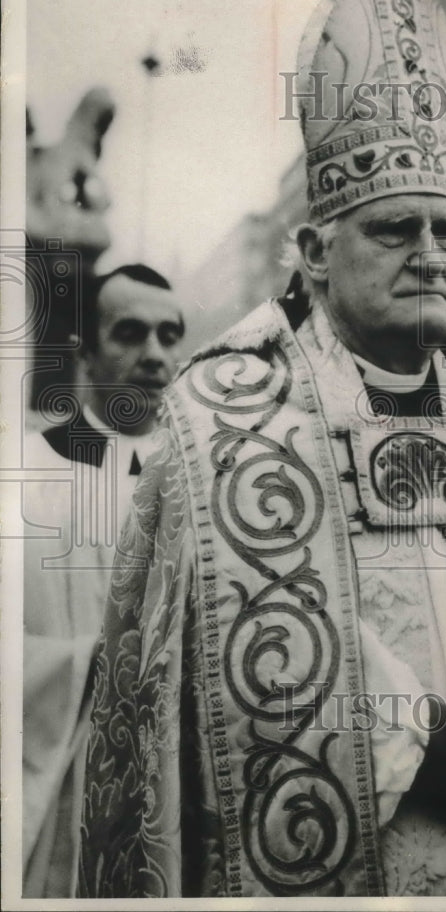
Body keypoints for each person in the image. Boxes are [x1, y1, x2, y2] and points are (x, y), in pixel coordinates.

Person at [78, 0, 446, 897]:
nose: (430, 254)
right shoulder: (223, 420)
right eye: (393, 230)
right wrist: (442, 749)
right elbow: (229, 653)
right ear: (313, 250)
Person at [22, 264, 185, 897]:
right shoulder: (27, 474)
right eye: (131, 333)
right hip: (65, 780)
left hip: (181, 783)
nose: (156, 355)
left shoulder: (208, 484)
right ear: (84, 351)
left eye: (170, 335)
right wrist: (89, 664)